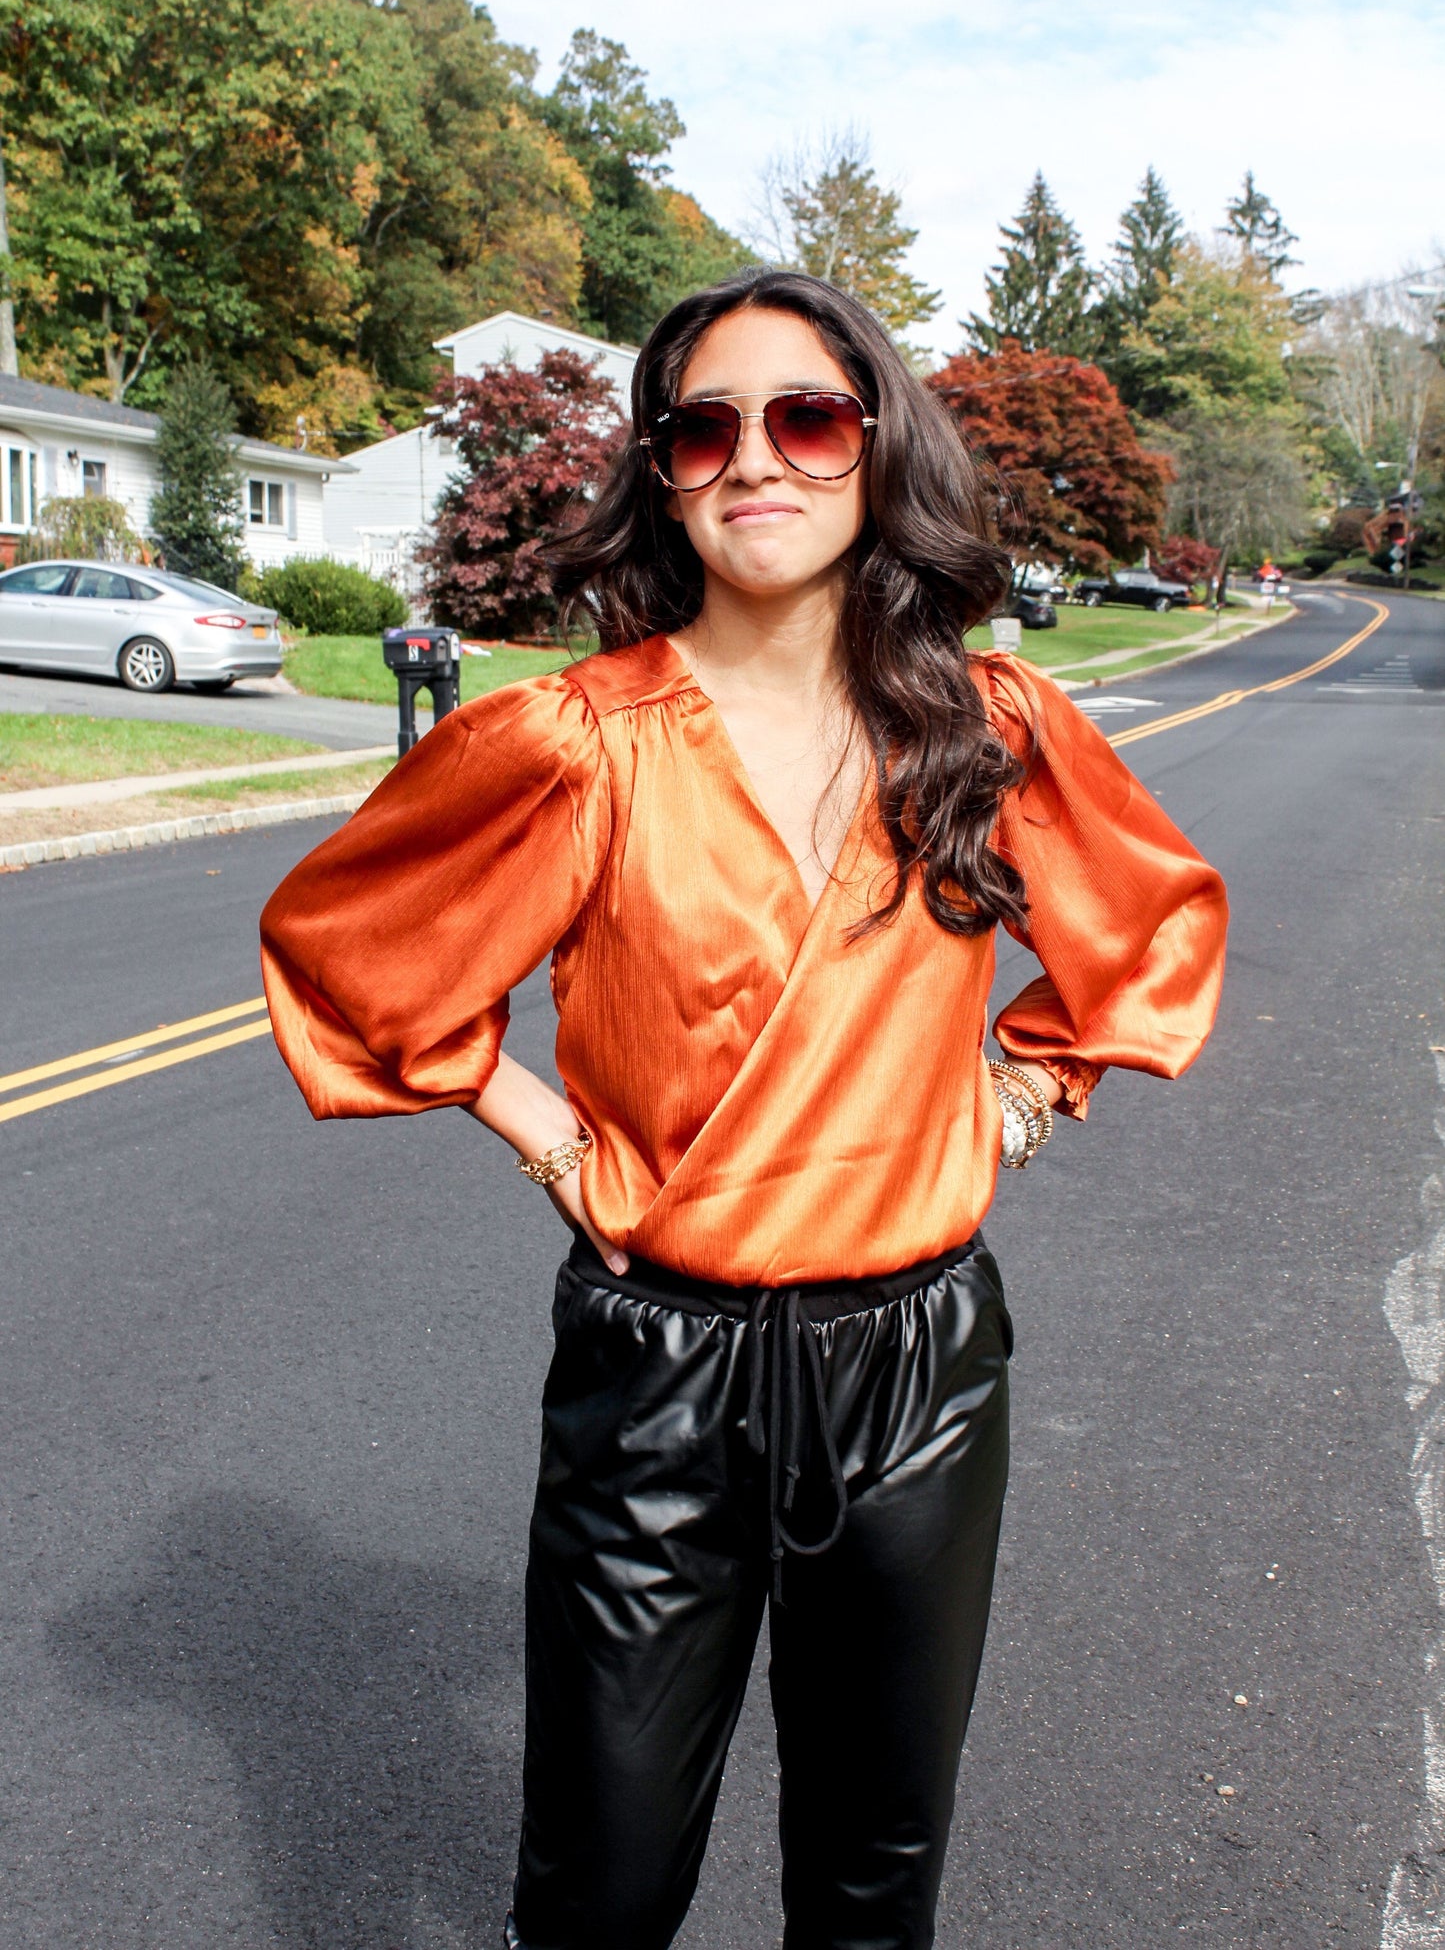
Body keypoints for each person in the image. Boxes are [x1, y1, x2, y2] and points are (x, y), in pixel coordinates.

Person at [260, 271, 1228, 1950]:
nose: (753, 460)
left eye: (807, 417)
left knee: (871, 1883)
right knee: (601, 1885)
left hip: (917, 1376)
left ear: (874, 448)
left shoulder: (982, 728)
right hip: (657, 1382)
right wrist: (543, 1129)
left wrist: (1036, 1083)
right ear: (661, 469)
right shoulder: (575, 742)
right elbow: (350, 945)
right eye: (703, 426)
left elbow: (1149, 926)